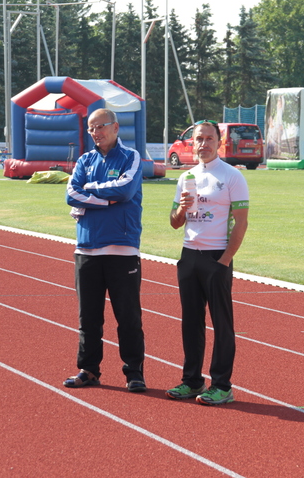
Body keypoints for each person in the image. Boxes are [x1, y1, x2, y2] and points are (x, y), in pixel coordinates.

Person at [166, 120, 249, 405]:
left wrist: (224, 261)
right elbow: (175, 223)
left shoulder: (232, 176)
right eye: (199, 139)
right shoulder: (186, 176)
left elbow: (241, 223)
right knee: (191, 322)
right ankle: (192, 381)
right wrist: (182, 208)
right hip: (189, 255)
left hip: (217, 257)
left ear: (219, 142)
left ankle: (222, 386)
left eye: (209, 138)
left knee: (221, 324)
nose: (203, 144)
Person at [64, 108, 146, 392]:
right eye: (91, 128)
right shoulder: (84, 160)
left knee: (128, 317)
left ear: (115, 127)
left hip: (122, 249)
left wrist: (90, 192)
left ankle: (134, 373)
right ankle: (89, 370)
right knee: (88, 318)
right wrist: (105, 200)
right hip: (86, 249)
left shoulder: (131, 157)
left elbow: (124, 191)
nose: (95, 133)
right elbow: (71, 194)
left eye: (100, 126)